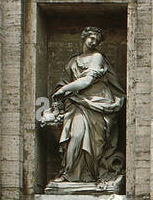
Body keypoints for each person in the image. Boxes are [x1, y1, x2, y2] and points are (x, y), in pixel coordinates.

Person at [50, 26, 125, 185]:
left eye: (97, 40)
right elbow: (64, 82)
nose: (94, 42)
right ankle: (69, 173)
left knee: (95, 142)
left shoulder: (97, 57)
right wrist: (61, 92)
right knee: (75, 137)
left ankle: (91, 176)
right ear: (84, 37)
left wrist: (64, 89)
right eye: (91, 38)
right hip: (77, 103)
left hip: (97, 102)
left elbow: (87, 80)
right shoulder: (73, 61)